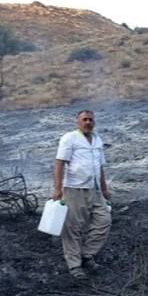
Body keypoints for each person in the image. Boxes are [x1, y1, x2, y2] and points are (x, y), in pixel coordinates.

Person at [52, 110, 112, 281]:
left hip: (94, 189)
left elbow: (99, 167)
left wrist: (105, 189)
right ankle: (75, 265)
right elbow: (59, 163)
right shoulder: (69, 138)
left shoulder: (98, 140)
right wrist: (57, 189)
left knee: (104, 221)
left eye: (90, 120)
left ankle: (86, 254)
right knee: (73, 228)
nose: (87, 122)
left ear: (94, 123)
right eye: (84, 120)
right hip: (74, 189)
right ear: (78, 122)